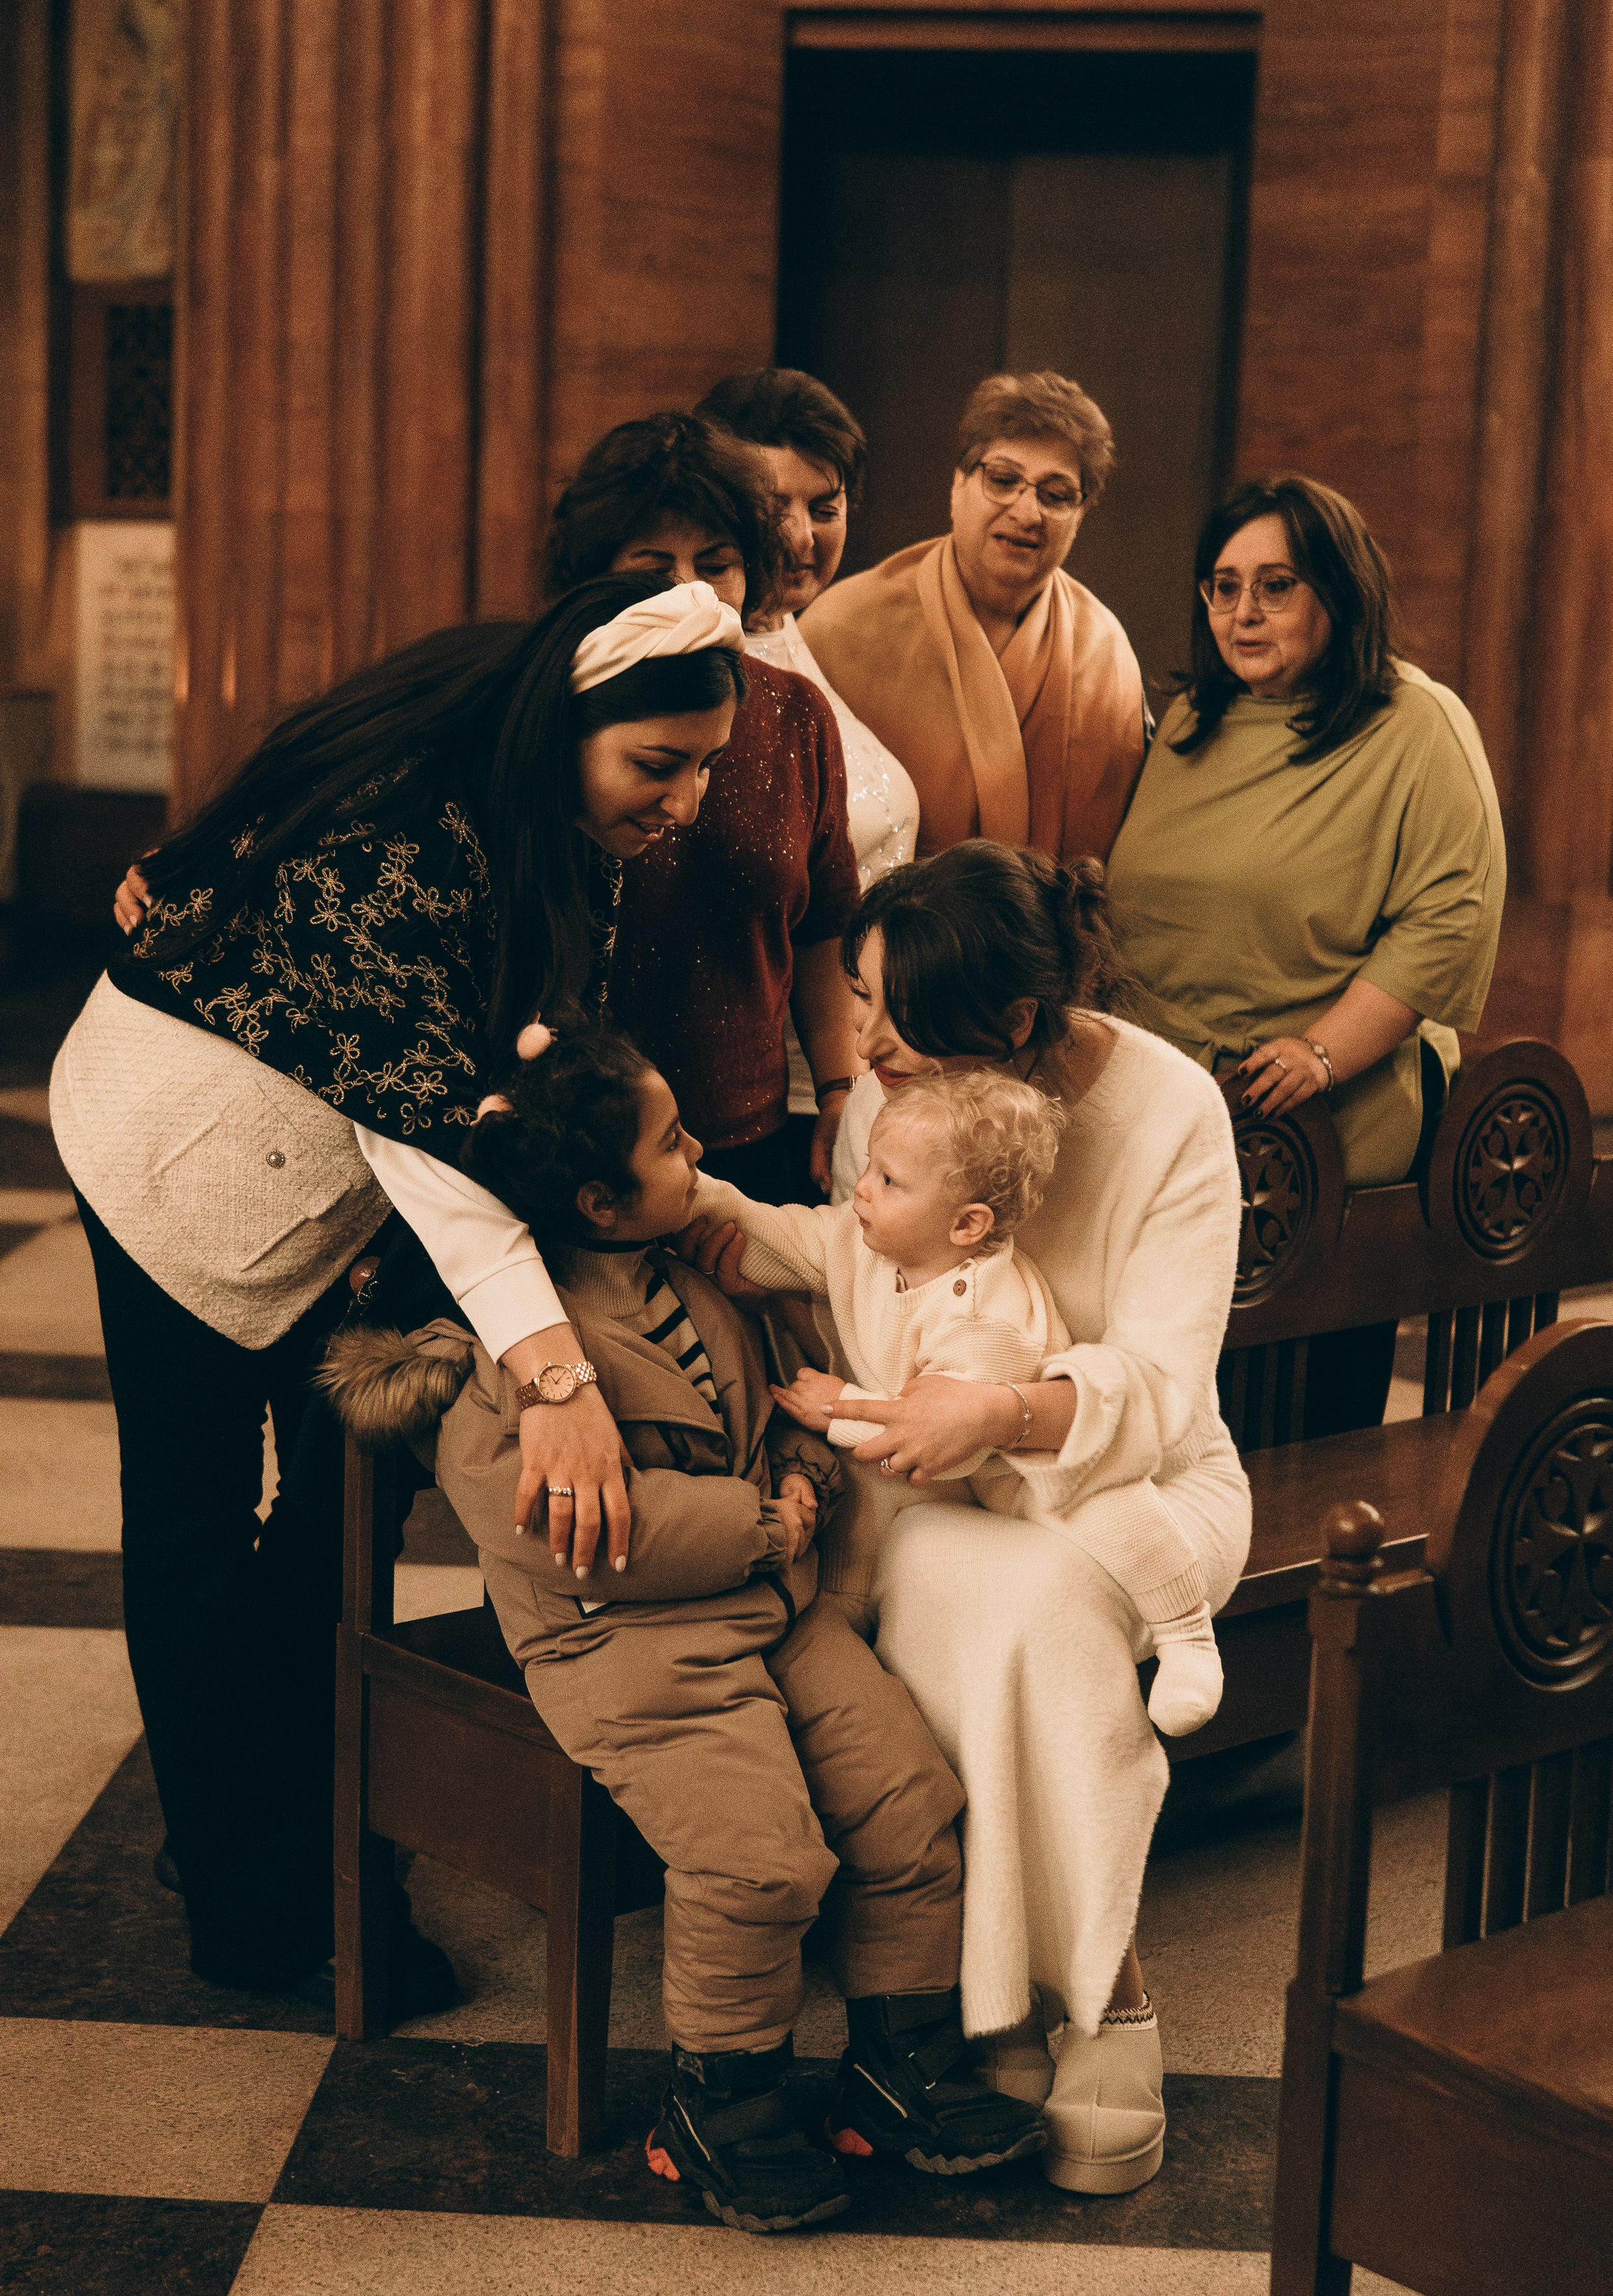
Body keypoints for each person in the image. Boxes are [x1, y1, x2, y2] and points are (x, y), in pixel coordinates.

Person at [62, 579, 748, 1999]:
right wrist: (555, 1377)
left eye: (702, 767)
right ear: (569, 723)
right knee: (194, 1518)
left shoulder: (539, 810)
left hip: (317, 1153)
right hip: (168, 1146)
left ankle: (271, 1816)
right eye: (658, 765)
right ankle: (251, 1905)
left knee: (335, 1506)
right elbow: (427, 1133)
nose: (683, 802)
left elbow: (507, 1070)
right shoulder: (402, 832)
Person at [321, 1020, 1047, 2232]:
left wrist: (808, 1472)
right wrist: (766, 1526)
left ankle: (897, 2064)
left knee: (913, 1800)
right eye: (673, 1140)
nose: (703, 1147)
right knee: (758, 1858)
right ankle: (722, 2103)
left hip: (778, 1610)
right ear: (599, 1198)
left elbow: (794, 1389)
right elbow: (574, 1533)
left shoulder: (702, 1269)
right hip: (628, 1645)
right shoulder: (509, 1353)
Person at [682, 839, 1249, 2197]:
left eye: (889, 1011)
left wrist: (998, 1416)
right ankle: (998, 1996)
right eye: (859, 992)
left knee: (1037, 1597)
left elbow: (1169, 1389)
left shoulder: (1170, 1111)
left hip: (1134, 1482)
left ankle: (1096, 1994)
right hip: (923, 1471)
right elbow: (850, 1270)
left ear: (1007, 1022)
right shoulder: (895, 1103)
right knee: (955, 1576)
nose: (860, 1036)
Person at [1106, 473, 1506, 1433]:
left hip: (1316, 1130)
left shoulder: (1415, 722)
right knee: (1162, 1413)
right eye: (1223, 585)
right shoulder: (1194, 723)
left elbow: (1451, 912)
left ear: (1339, 587)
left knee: (1289, 1433)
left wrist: (1322, 1051)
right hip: (1163, 1115)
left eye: (1276, 585)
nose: (1243, 611)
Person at [694, 1068, 1223, 1736]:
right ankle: (838, 1628)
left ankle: (1186, 1633)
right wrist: (698, 1197)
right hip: (917, 1469)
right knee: (855, 1517)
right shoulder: (864, 1240)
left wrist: (841, 1407)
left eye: (889, 1181)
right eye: (870, 1167)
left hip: (1016, 1464)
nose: (860, 1187)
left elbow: (942, 1443)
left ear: (967, 1224)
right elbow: (774, 1237)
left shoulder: (988, 1313)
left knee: (1109, 1505)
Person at [544, 409, 863, 1204]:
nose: (689, 592)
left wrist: (839, 1090)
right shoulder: (556, 712)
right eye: (653, 566)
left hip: (753, 1138)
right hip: (589, 1147)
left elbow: (823, 924)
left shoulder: (796, 716)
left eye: (716, 564)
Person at [696, 367, 923, 1143]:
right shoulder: (697, 679)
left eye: (824, 508)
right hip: (765, 1101)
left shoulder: (808, 648)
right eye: (773, 509)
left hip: (858, 1082)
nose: (800, 537)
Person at [799, 371, 1147, 863]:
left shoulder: (1107, 657)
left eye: (1056, 494)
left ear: (1082, 512)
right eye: (1003, 481)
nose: (1027, 513)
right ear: (958, 483)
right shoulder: (841, 628)